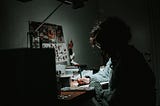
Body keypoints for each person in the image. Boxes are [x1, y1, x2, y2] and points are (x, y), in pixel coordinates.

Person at [78, 16, 156, 106]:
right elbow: (105, 74)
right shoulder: (115, 57)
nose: (103, 52)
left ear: (113, 41)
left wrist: (96, 87)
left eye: (103, 46)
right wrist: (89, 79)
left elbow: (117, 98)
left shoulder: (129, 59)